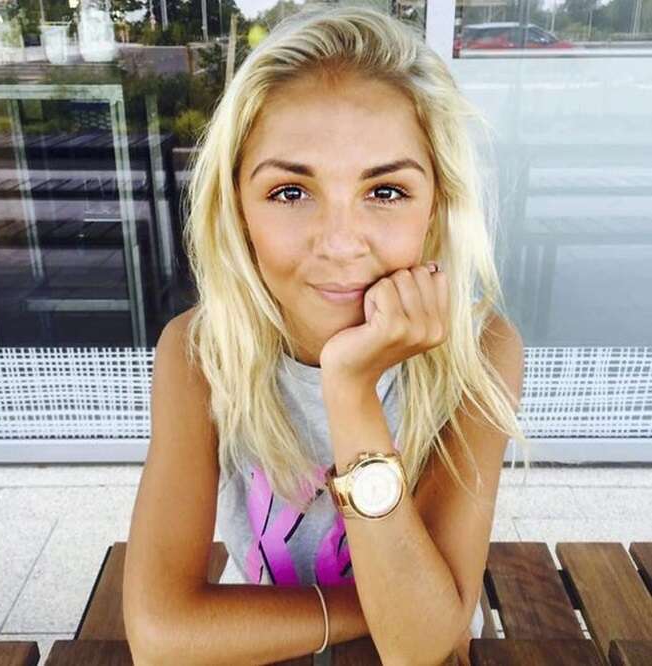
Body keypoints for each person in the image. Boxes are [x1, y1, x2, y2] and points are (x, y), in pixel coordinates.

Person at [123, 4, 532, 664]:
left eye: (386, 191)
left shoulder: (479, 350)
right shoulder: (200, 353)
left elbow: (421, 651)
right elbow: (160, 635)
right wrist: (402, 606)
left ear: (435, 207)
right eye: (290, 192)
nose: (340, 244)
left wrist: (350, 390)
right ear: (238, 209)